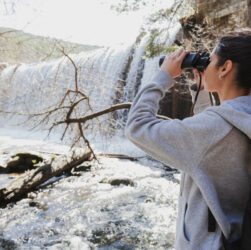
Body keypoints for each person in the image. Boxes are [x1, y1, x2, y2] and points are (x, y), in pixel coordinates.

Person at [125, 29, 251, 249]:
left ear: (225, 68)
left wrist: (163, 76)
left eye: (210, 61)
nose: (206, 65)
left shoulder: (212, 131)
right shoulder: (240, 118)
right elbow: (214, 142)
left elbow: (137, 126)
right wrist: (201, 91)